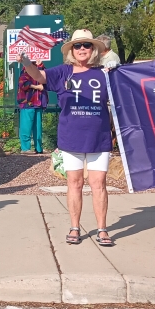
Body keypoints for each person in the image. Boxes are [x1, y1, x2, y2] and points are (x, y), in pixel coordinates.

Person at [20, 29, 114, 247]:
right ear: (71, 49)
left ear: (94, 49)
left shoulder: (105, 74)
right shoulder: (63, 72)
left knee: (99, 184)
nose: (82, 49)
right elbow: (39, 76)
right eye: (78, 46)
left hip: (99, 138)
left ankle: (102, 230)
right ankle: (74, 227)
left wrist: (116, 70)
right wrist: (25, 61)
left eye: (86, 45)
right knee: (75, 183)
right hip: (71, 137)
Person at [17, 59, 46, 154]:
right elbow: (23, 84)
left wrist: (40, 64)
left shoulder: (41, 67)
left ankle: (39, 148)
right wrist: (37, 87)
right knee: (26, 126)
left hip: (38, 101)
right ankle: (25, 148)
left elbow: (47, 77)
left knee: (38, 127)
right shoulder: (26, 69)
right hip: (27, 101)